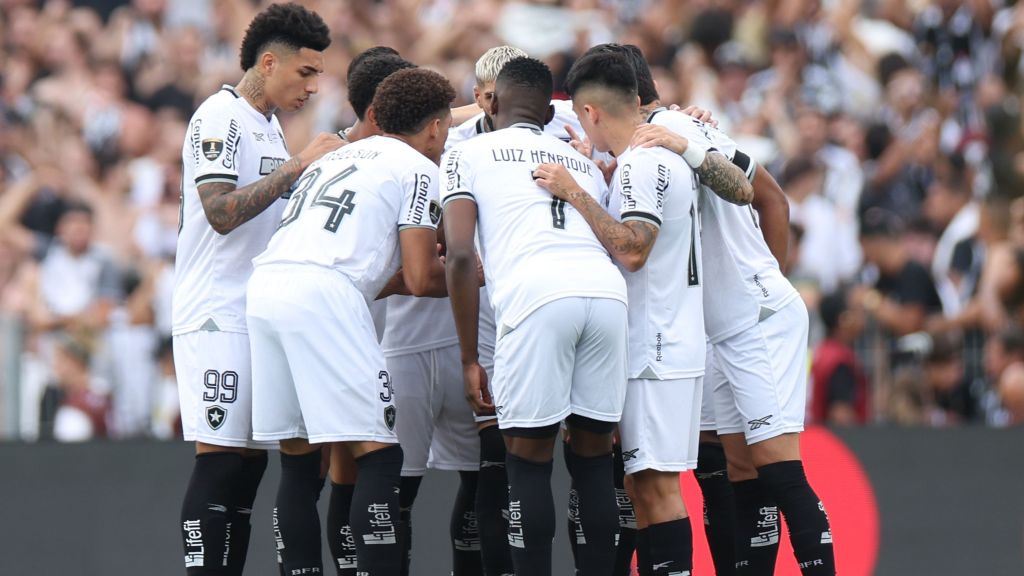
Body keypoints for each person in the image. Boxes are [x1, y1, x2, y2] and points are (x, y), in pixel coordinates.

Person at [620, 46, 837, 576]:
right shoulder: (663, 134)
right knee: (737, 465)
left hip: (754, 320)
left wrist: (763, 286)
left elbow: (772, 200)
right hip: (717, 327)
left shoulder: (677, 133)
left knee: (779, 470)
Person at [246, 67, 454, 576]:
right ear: (435, 128)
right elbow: (424, 278)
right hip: (325, 294)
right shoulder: (419, 167)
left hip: (268, 287)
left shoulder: (337, 156)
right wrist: (485, 275)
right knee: (377, 454)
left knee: (297, 461)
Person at [443, 56, 628, 576]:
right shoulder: (584, 163)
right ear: (550, 111)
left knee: (526, 460)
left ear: (491, 102)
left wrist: (467, 358)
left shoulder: (467, 152)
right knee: (592, 459)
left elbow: (459, 256)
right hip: (607, 295)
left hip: (537, 297)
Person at [173, 4, 339, 574]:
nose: (313, 87)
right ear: (269, 63)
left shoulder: (266, 124)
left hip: (257, 311)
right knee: (220, 464)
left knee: (248, 470)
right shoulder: (219, 116)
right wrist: (298, 167)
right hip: (216, 313)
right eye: (305, 73)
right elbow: (219, 212)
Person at [535, 50, 703, 576]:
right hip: (667, 337)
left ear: (590, 113)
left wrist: (576, 193)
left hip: (655, 346)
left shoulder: (641, 161)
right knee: (640, 486)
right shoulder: (656, 157)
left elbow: (632, 249)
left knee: (655, 489)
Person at [326, 48, 415, 576]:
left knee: (341, 463)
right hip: (343, 320)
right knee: (361, 457)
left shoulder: (328, 153)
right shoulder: (399, 159)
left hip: (347, 319)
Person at [811, 288, 869, 425]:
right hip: (829, 441)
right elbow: (841, 415)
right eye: (856, 311)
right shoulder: (839, 361)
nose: (862, 316)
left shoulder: (821, 351)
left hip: (811, 435)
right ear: (844, 319)